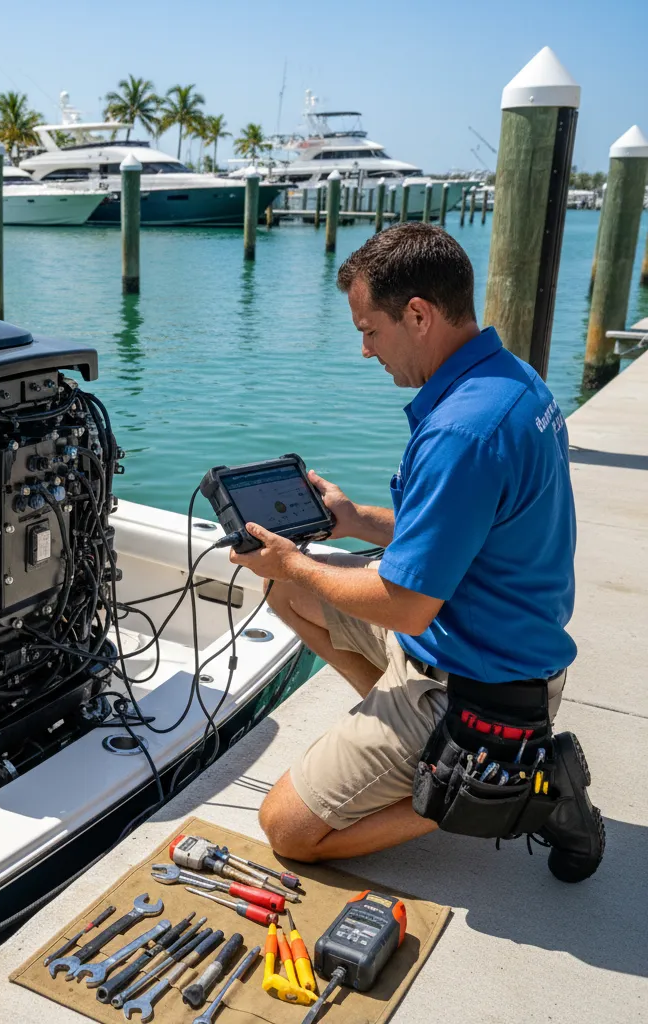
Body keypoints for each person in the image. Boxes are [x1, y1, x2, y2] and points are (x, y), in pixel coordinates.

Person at [229, 223, 604, 882]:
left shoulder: (461, 430)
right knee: (290, 593)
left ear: (419, 315)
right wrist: (352, 520)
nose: (367, 352)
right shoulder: (508, 381)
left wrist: (292, 560)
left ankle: (514, 786)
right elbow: (460, 529)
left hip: (479, 686)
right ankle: (421, 751)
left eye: (370, 331)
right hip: (492, 642)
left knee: (287, 830)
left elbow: (405, 607)